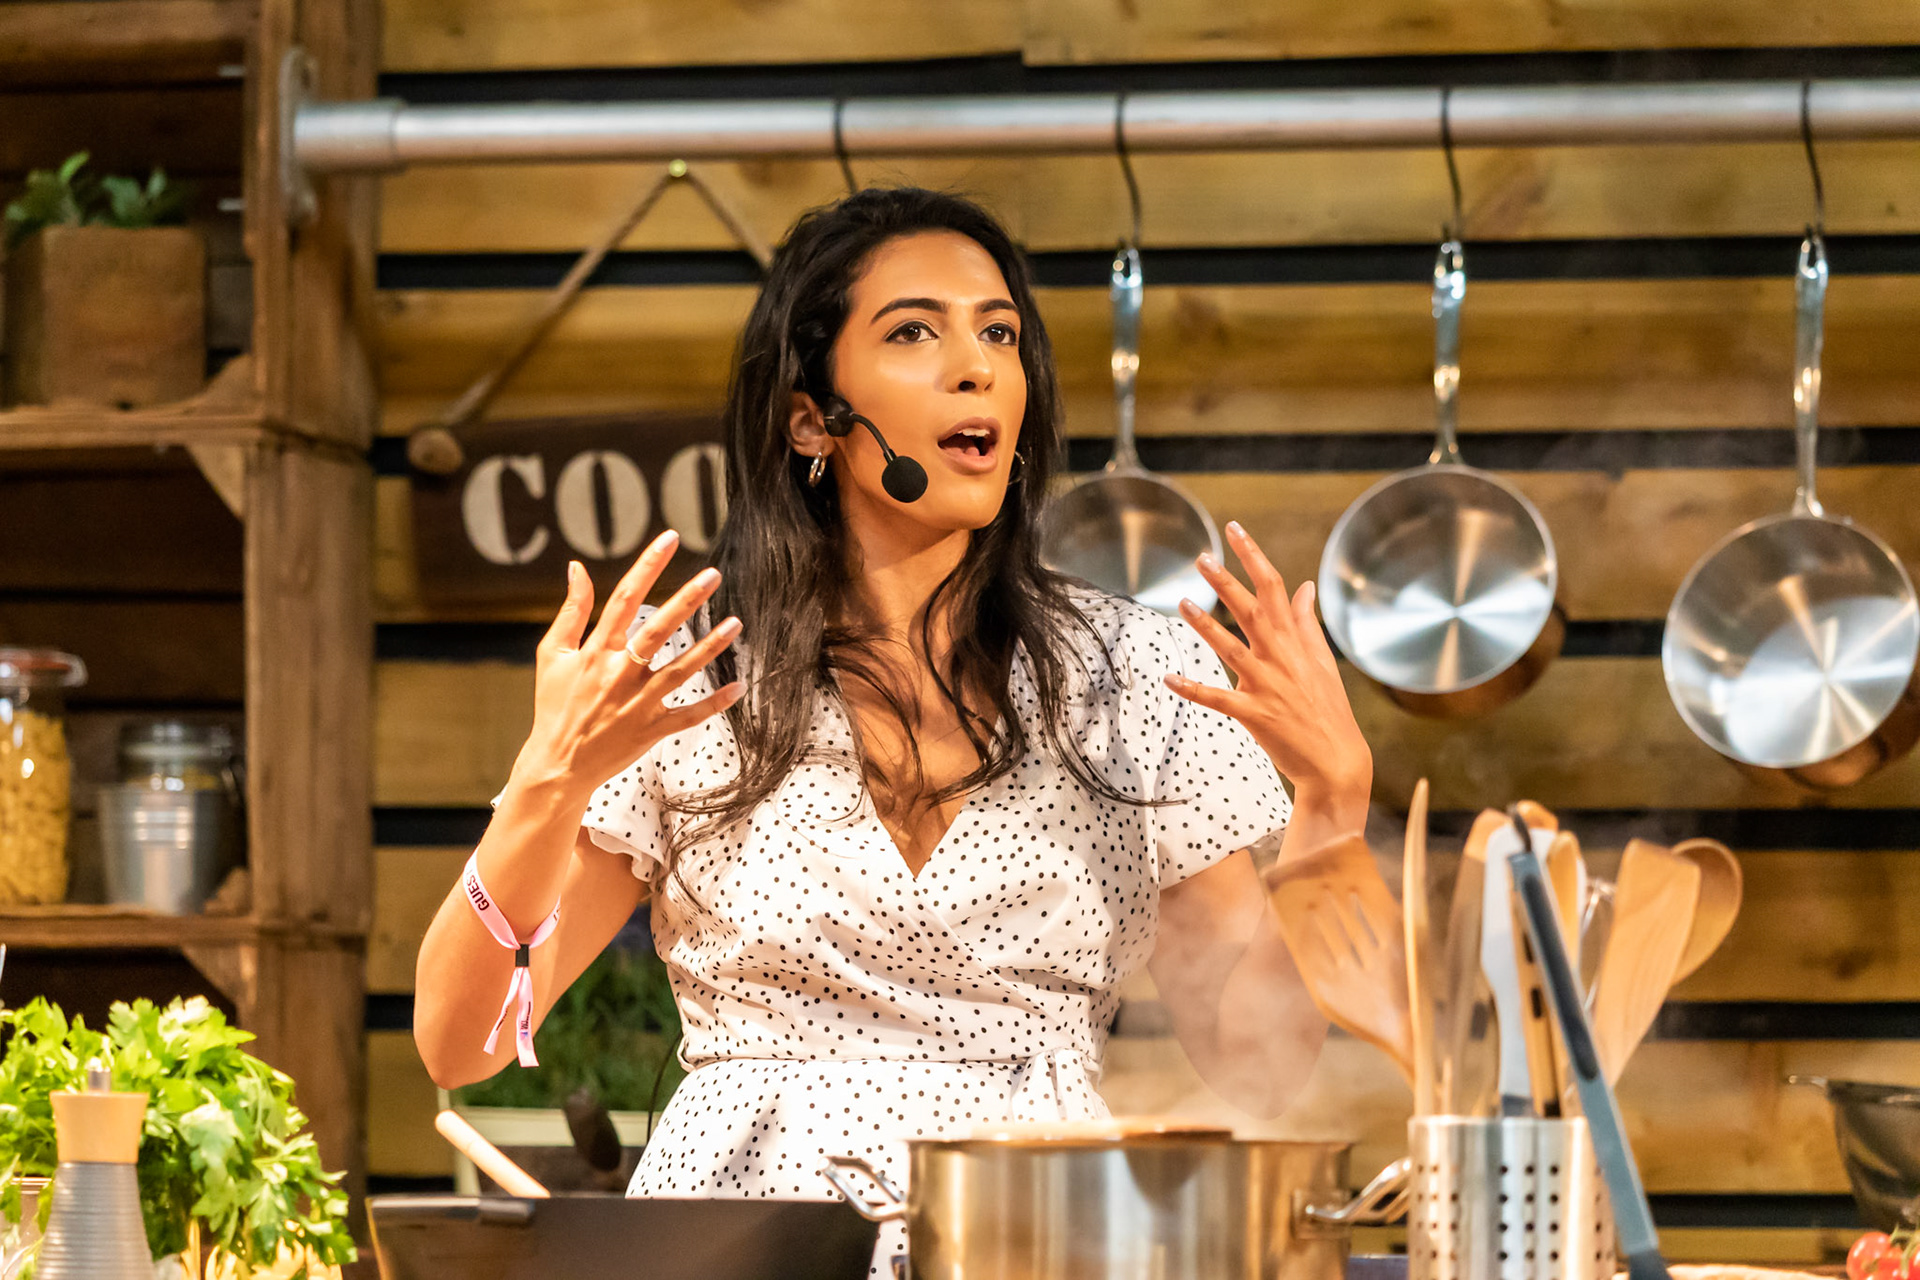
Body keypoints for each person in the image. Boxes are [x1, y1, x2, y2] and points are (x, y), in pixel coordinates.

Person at [413, 186, 1375, 1272]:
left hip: (1034, 1236)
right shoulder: (693, 671)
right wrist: (546, 781)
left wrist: (1331, 810)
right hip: (738, 1240)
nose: (975, 364)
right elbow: (463, 1038)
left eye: (999, 333)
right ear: (812, 416)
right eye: (914, 330)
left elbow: (1262, 1066)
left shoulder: (1136, 677)